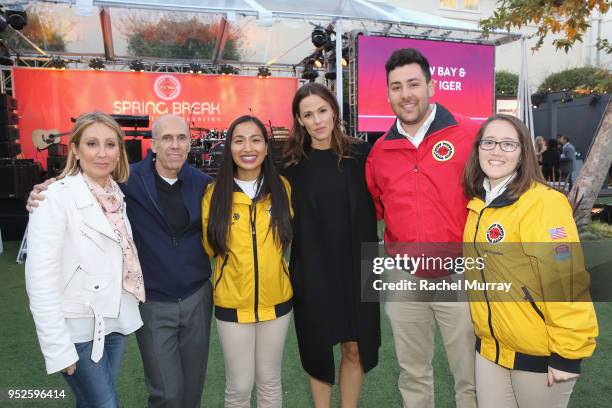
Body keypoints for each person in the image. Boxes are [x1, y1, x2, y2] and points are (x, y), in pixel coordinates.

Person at [27, 114, 214, 408]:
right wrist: (43, 190)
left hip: (182, 302)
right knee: (155, 394)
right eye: (167, 138)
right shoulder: (128, 181)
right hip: (140, 305)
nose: (175, 145)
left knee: (190, 389)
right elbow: (40, 278)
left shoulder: (202, 185)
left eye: (182, 138)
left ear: (190, 143)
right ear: (153, 144)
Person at [365, 48, 480, 408]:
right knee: (413, 374)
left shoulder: (470, 134)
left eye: (413, 84)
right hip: (404, 277)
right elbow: (376, 209)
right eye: (396, 87)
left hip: (459, 273)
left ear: (431, 85)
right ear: (387, 95)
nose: (406, 94)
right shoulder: (380, 152)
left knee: (472, 375)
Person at [462, 113, 598, 408]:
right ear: (478, 149)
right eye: (489, 142)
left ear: (524, 153)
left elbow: (566, 281)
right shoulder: (478, 205)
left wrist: (567, 355)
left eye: (508, 144)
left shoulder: (544, 203)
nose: (496, 150)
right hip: (490, 351)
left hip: (540, 354)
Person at [25, 112, 145, 407]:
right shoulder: (54, 197)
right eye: (92, 144)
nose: (102, 153)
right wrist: (58, 347)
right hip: (78, 330)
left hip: (114, 322)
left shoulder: (116, 196)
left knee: (89, 403)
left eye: (110, 144)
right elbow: (40, 280)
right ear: (76, 150)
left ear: (120, 150)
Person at [283, 82, 380, 408]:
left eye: (322, 110)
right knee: (317, 348)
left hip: (357, 267)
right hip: (311, 269)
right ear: (299, 120)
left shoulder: (362, 155)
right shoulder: (290, 165)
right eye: (308, 114)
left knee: (355, 347)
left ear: (334, 111)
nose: (317, 120)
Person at [202, 115, 293, 408]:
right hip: (232, 306)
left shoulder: (282, 188)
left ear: (266, 147)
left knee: (269, 383)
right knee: (239, 388)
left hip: (277, 305)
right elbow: (209, 247)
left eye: (255, 139)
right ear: (229, 148)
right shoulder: (214, 195)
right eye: (239, 140)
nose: (247, 147)